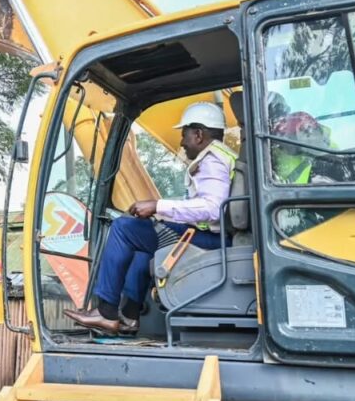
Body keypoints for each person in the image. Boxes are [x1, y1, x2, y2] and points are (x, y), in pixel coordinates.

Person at [64, 102, 236, 336]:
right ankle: (129, 317)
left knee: (124, 228)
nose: (182, 143)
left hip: (210, 239)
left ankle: (106, 310)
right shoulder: (223, 156)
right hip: (214, 236)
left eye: (184, 135)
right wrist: (160, 211)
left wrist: (157, 205)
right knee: (143, 249)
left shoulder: (212, 160)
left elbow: (212, 208)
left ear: (199, 134)